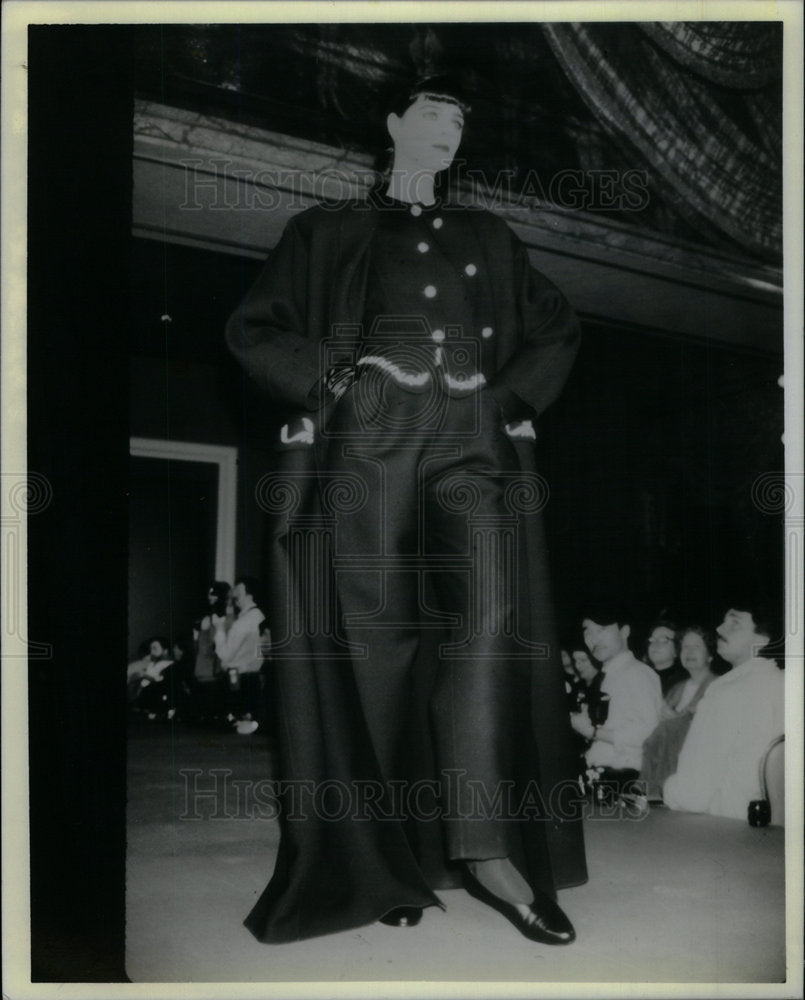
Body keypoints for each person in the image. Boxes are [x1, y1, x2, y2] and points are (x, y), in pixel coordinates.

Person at [226, 74, 585, 944]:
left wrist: (505, 404)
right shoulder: (325, 230)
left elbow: (556, 329)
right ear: (392, 126)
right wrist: (331, 385)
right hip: (370, 438)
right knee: (372, 643)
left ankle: (487, 849)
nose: (446, 133)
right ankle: (378, 863)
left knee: (488, 625)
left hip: (469, 436)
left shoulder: (487, 235)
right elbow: (253, 326)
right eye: (430, 115)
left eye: (459, 123)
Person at [663, 605, 784, 820]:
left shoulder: (733, 690)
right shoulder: (772, 680)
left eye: (734, 623)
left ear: (763, 639)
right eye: (723, 621)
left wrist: (671, 791)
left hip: (722, 824)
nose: (720, 628)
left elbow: (698, 787)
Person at [570, 602, 663, 787]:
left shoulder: (638, 673)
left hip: (623, 782)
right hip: (599, 780)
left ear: (624, 631)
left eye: (602, 629)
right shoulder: (607, 675)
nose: (593, 639)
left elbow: (647, 734)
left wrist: (592, 732)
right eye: (588, 631)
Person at [639, 625, 718, 801]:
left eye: (696, 647)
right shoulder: (676, 688)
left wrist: (676, 720)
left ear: (710, 655)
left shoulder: (718, 687)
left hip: (694, 768)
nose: (688, 652)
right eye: (684, 647)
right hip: (662, 770)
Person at [213, 576, 266, 735]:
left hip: (241, 679)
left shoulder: (243, 622)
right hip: (253, 677)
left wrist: (219, 628)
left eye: (238, 591)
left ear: (249, 594)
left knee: (238, 726)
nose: (234, 595)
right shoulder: (258, 616)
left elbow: (224, 654)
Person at [645, 620, 689, 696]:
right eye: (652, 640)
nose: (655, 644)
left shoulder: (684, 683)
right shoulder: (641, 675)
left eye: (663, 640)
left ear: (676, 650)